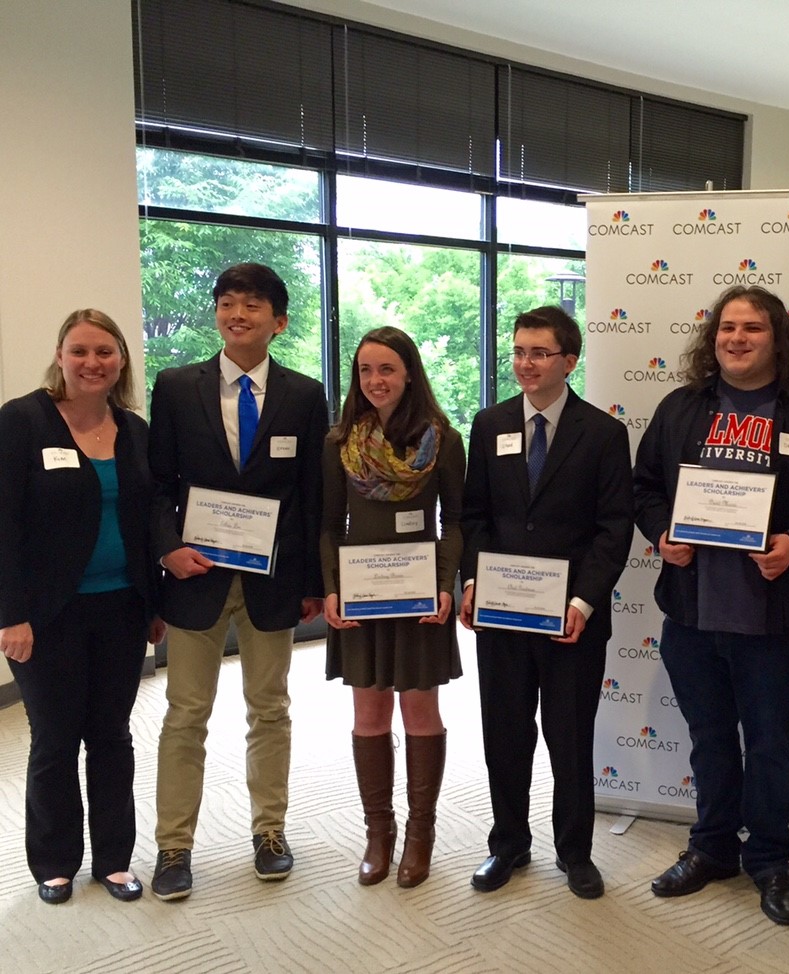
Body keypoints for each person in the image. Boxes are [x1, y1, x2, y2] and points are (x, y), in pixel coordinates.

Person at [633, 284, 789, 926]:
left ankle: (769, 861)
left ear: (777, 337)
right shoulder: (681, 408)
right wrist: (662, 534)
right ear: (713, 339)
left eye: (752, 328)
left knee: (768, 744)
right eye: (727, 328)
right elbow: (645, 488)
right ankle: (711, 849)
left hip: (771, 615)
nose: (737, 339)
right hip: (692, 611)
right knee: (708, 739)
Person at [149, 262, 328, 900]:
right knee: (185, 713)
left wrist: (311, 577)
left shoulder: (304, 395)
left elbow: (310, 496)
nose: (237, 314)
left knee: (270, 710)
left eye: (253, 305)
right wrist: (167, 550)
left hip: (273, 582)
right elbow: (157, 487)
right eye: (227, 302)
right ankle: (174, 846)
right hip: (195, 578)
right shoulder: (174, 386)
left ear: (277, 322)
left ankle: (270, 832)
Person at [460, 305, 633, 900]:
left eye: (539, 353)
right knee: (504, 735)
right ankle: (507, 843)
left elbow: (615, 529)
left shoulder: (605, 433)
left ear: (569, 360)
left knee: (569, 737)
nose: (526, 364)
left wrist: (583, 603)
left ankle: (574, 851)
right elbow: (474, 517)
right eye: (519, 352)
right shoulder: (489, 425)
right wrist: (472, 581)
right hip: (503, 616)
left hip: (572, 622)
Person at [0, 310, 165, 904]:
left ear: (121, 359)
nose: (92, 363)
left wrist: (153, 600)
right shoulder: (22, 421)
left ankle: (115, 860)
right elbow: (5, 523)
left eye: (105, 352)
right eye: (80, 351)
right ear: (60, 355)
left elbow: (146, 522)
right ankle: (54, 861)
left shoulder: (135, 429)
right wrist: (9, 613)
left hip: (122, 606)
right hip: (46, 615)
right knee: (54, 738)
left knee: (112, 735)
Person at [320, 327, 465, 888]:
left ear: (409, 373)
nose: (375, 381)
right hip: (361, 596)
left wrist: (447, 583)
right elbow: (330, 526)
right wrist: (332, 587)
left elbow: (454, 523)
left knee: (420, 713)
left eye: (386, 369)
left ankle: (420, 835)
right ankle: (378, 833)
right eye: (364, 371)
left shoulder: (441, 440)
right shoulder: (340, 443)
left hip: (421, 595)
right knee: (369, 715)